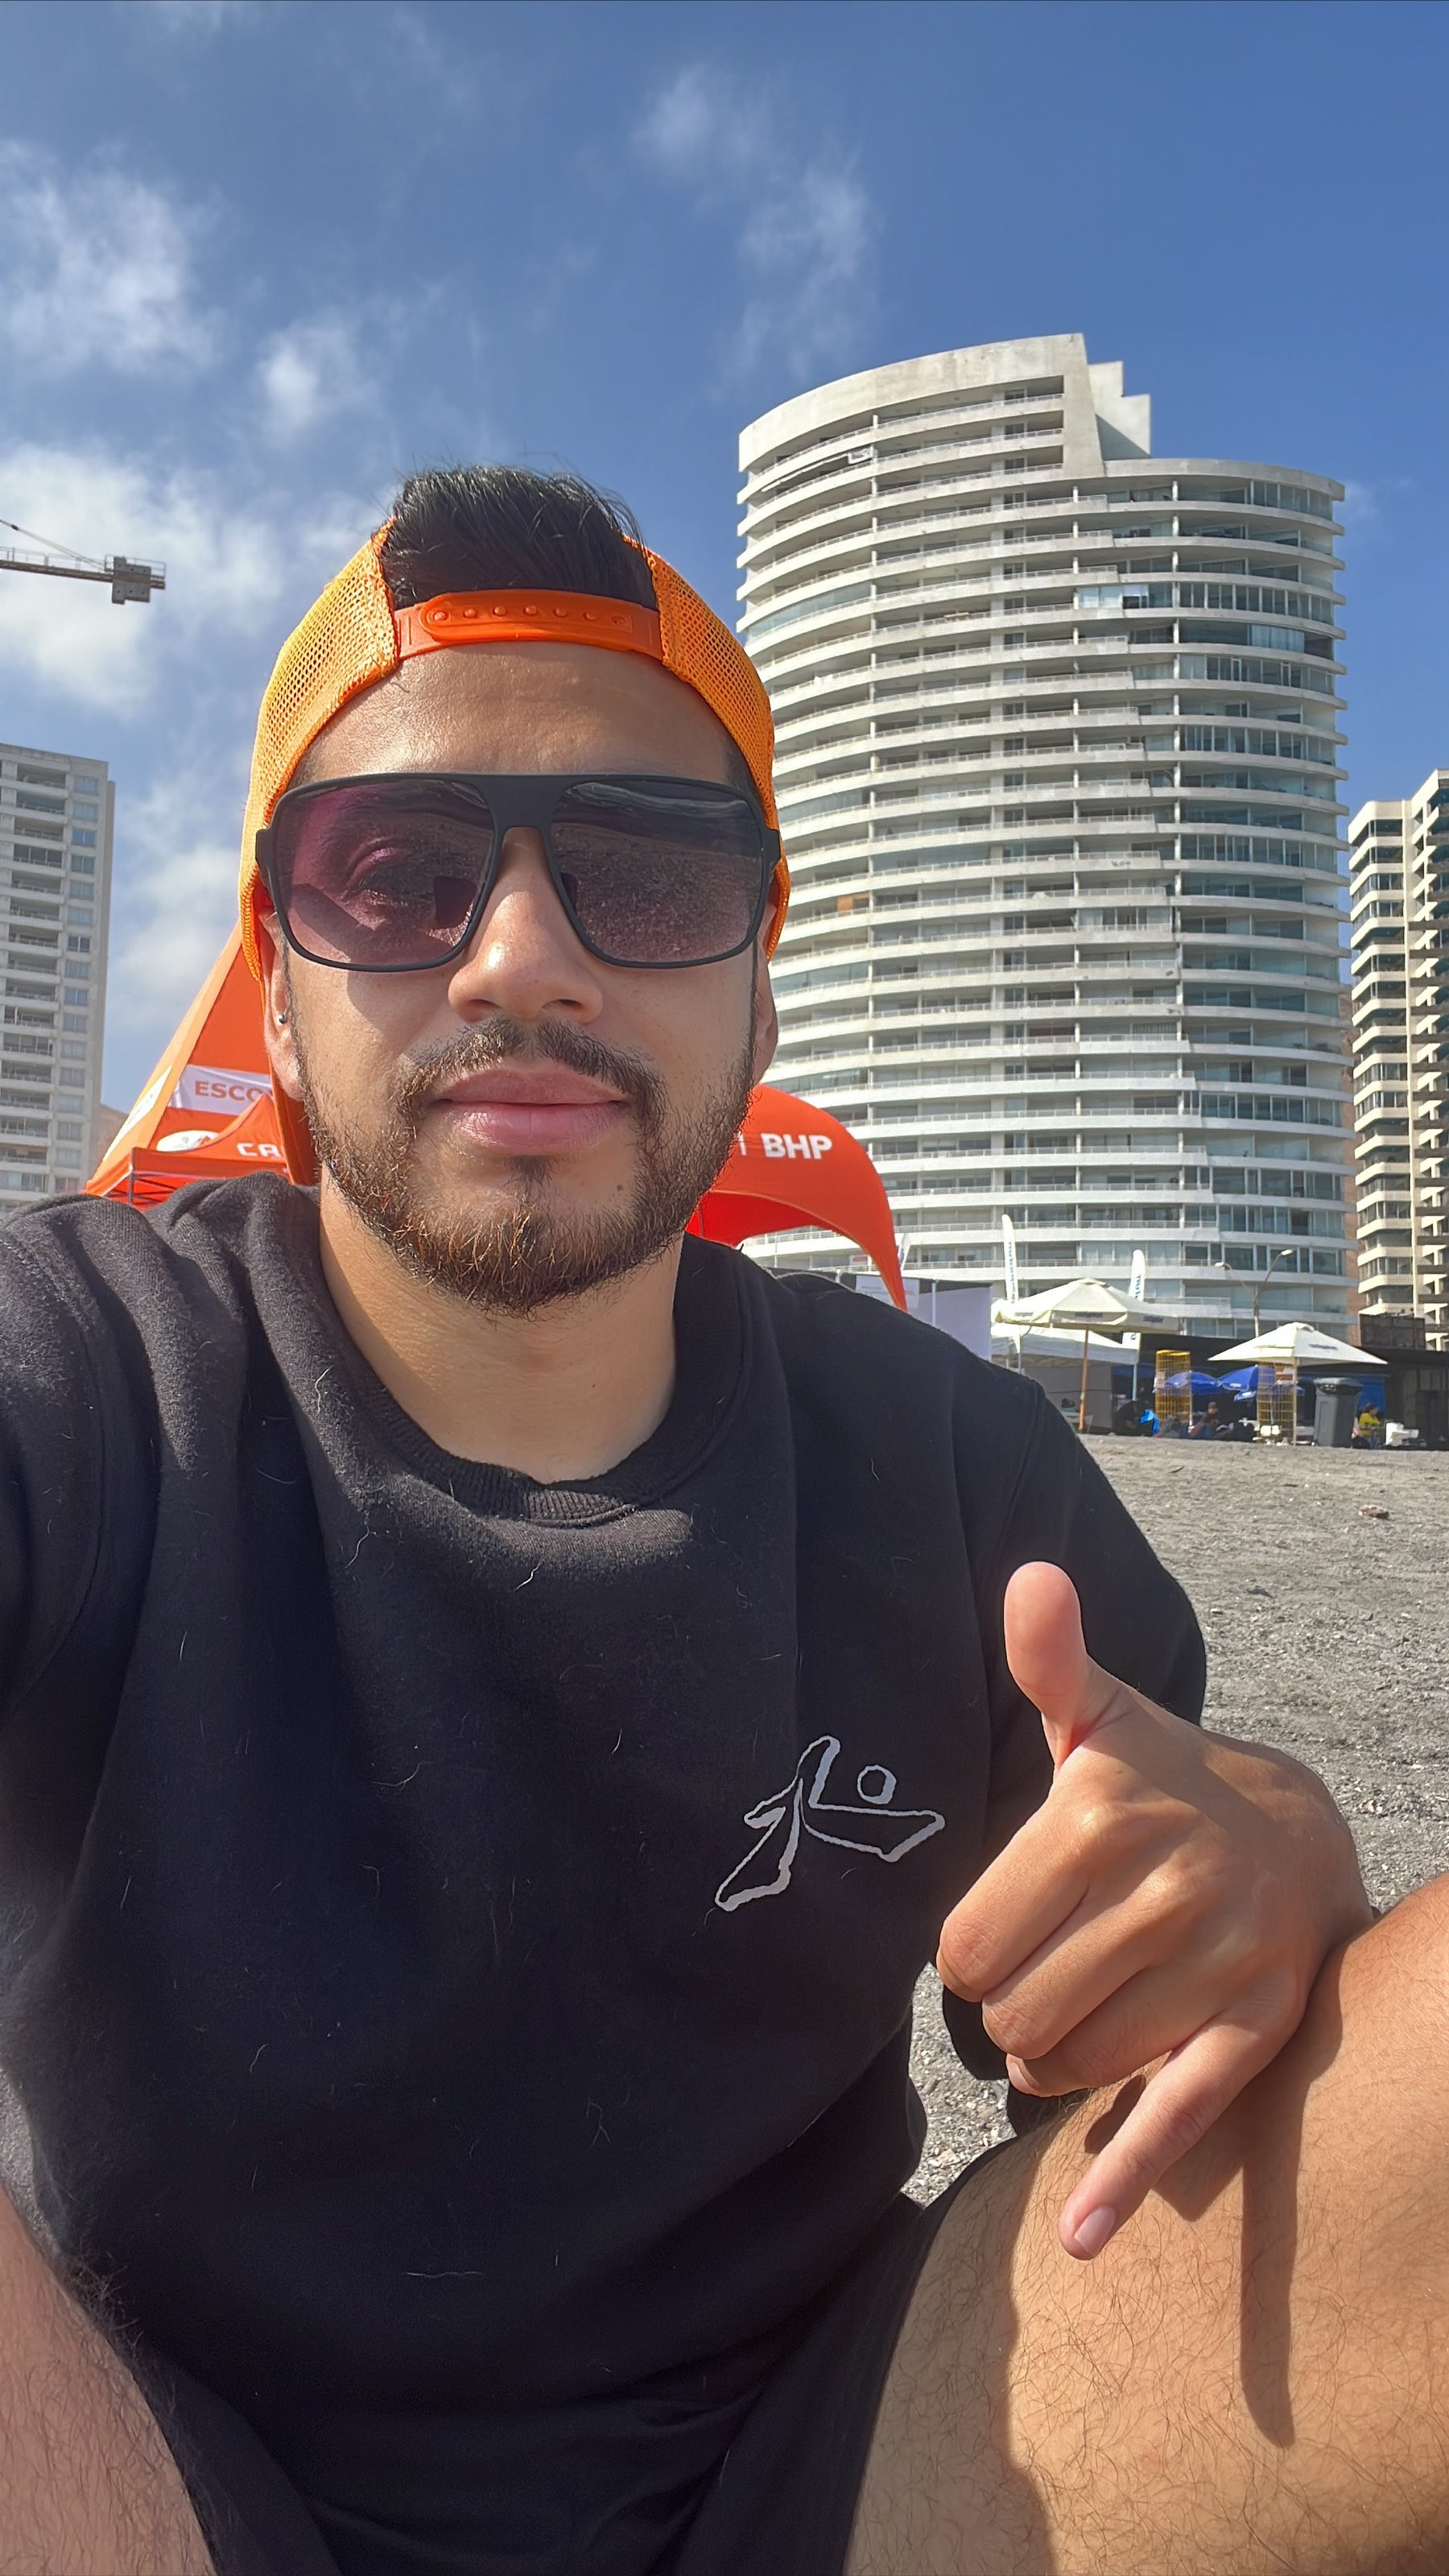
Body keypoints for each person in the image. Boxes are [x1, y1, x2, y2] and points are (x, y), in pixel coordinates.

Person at [0, 465, 1441, 2576]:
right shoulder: (81, 1370)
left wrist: (1282, 1873)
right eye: (396, 875)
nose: (522, 957)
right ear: (277, 988)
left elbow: (1135, 2050)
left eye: (649, 873)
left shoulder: (956, 1469)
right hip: (147, 2483)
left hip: (844, 2472)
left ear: (760, 987)